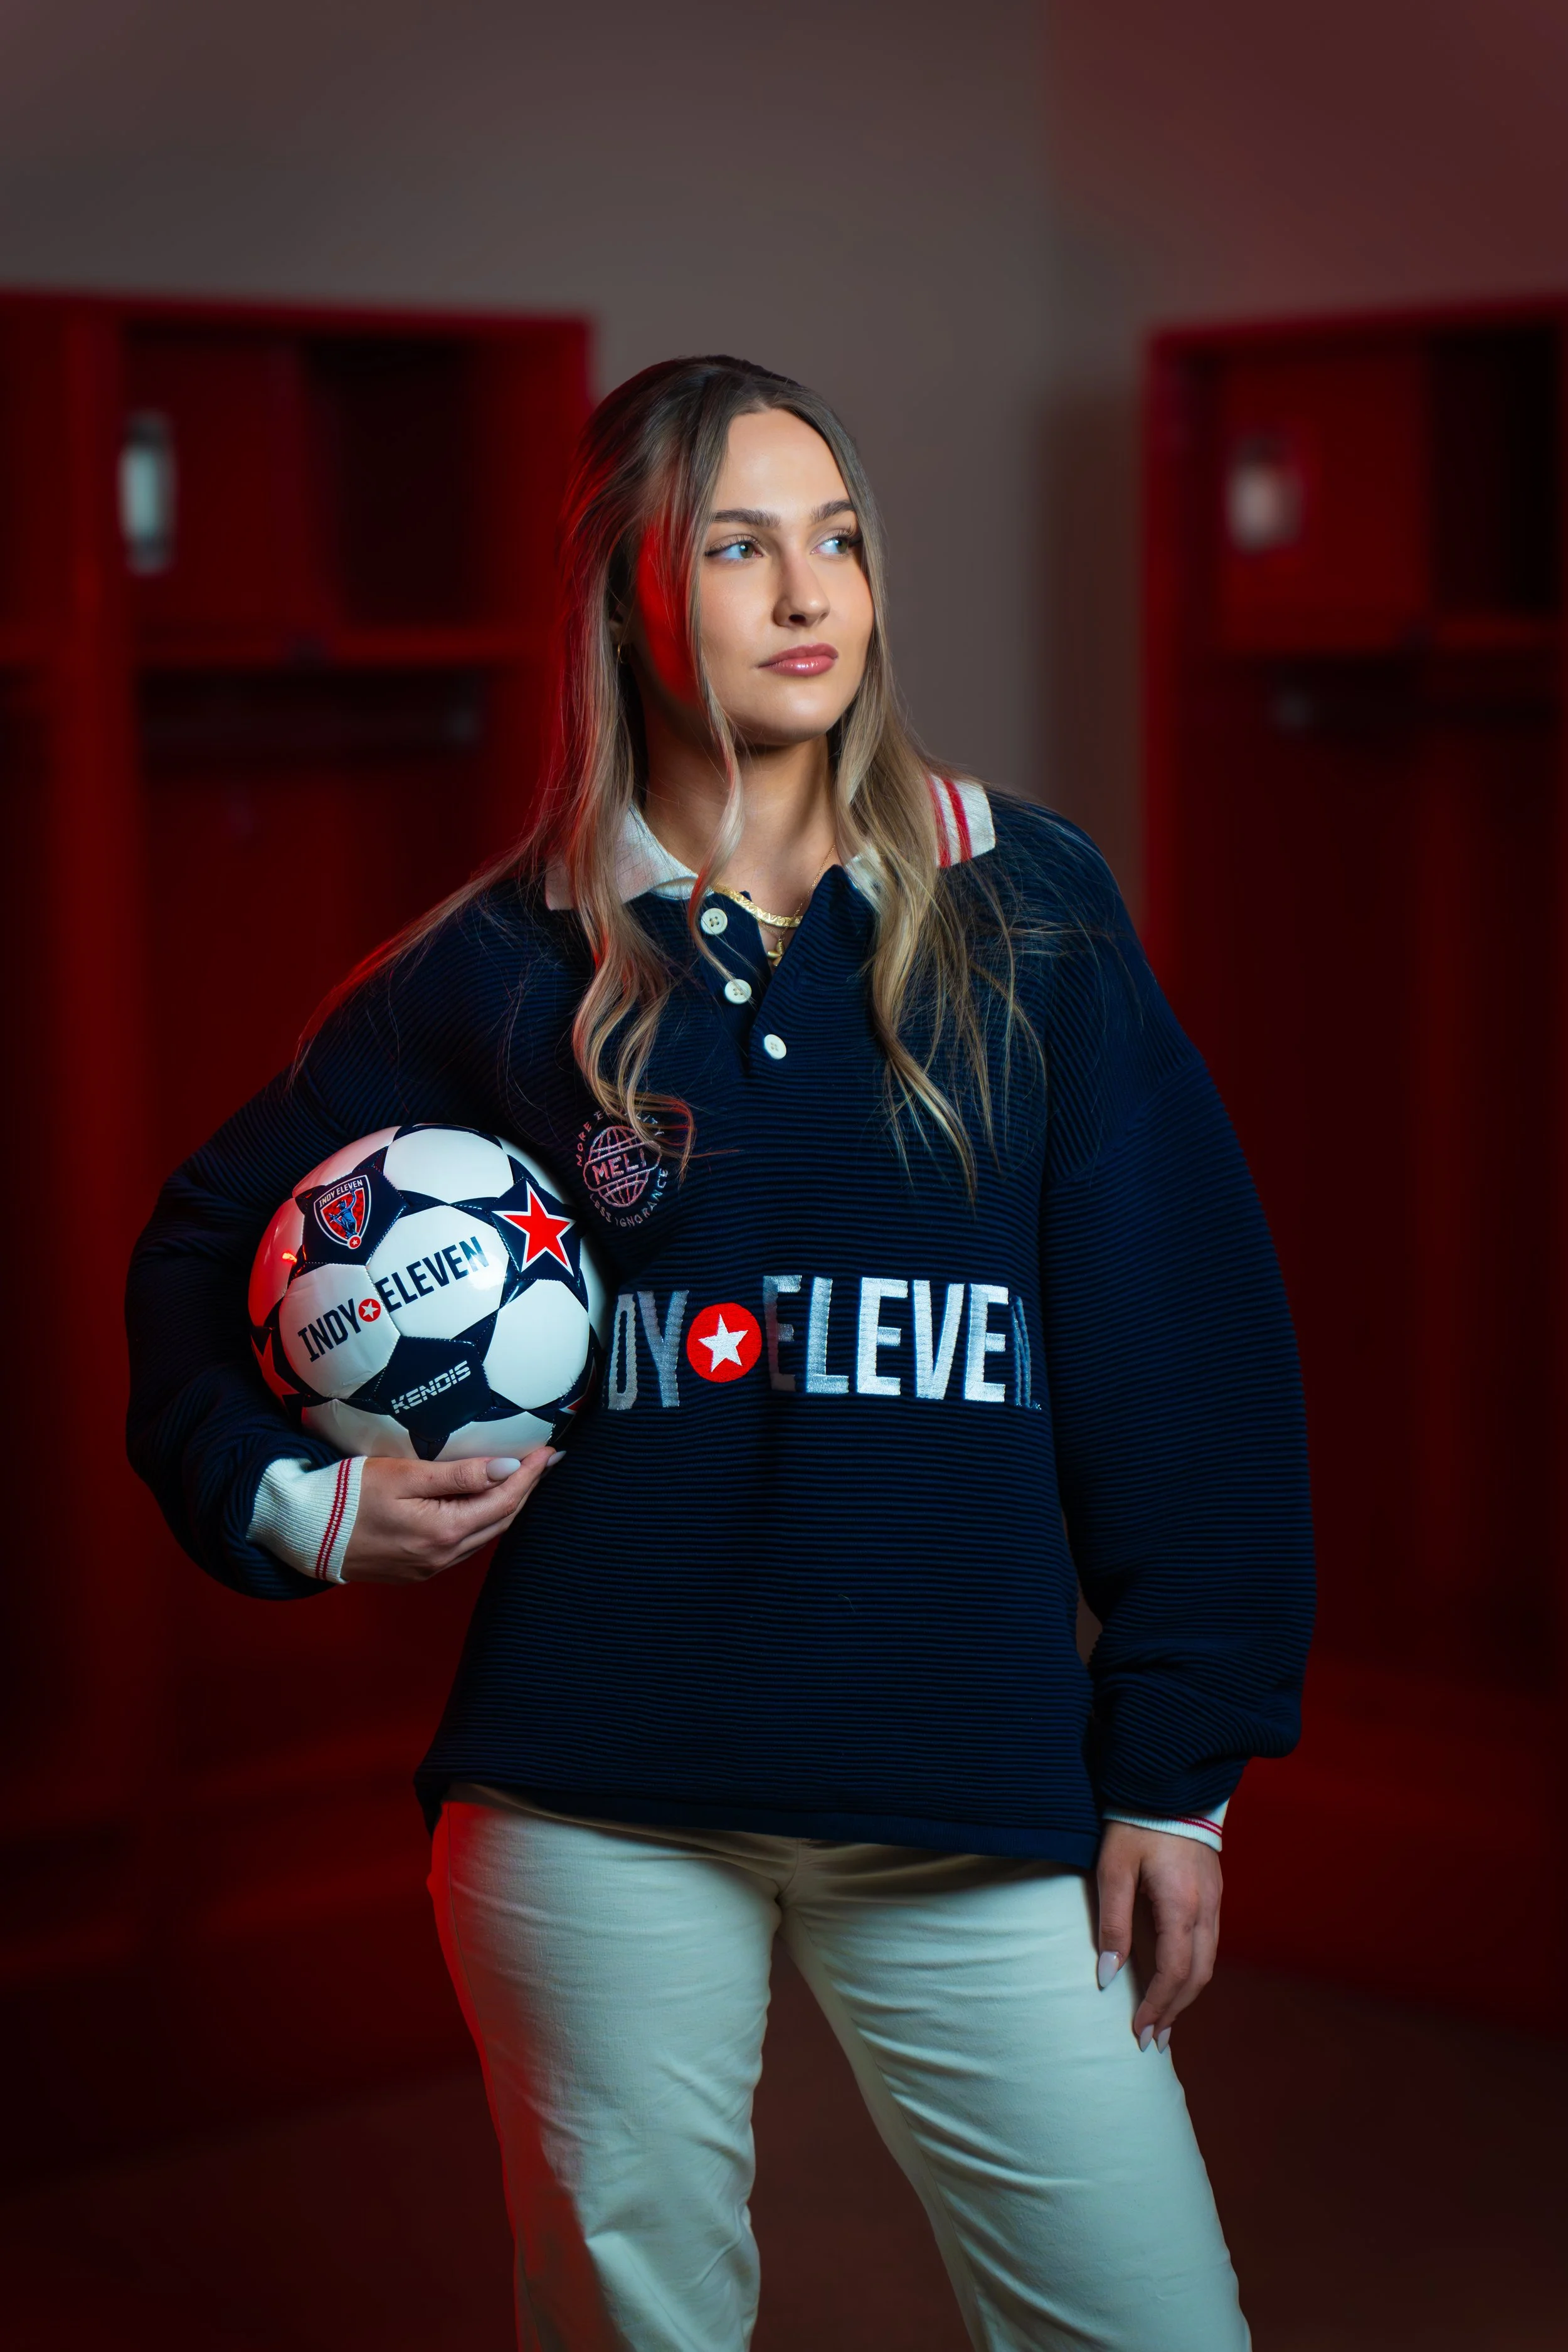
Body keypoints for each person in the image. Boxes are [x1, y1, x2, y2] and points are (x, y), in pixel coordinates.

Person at [127, 355, 1313, 2352]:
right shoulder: (504, 961)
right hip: (594, 1791)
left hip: (971, 1782)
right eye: (739, 544)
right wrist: (297, 1503)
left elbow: (1188, 1347)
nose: (806, 593)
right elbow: (193, 1249)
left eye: (836, 539)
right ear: (628, 599)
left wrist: (1178, 1773)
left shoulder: (1022, 909)